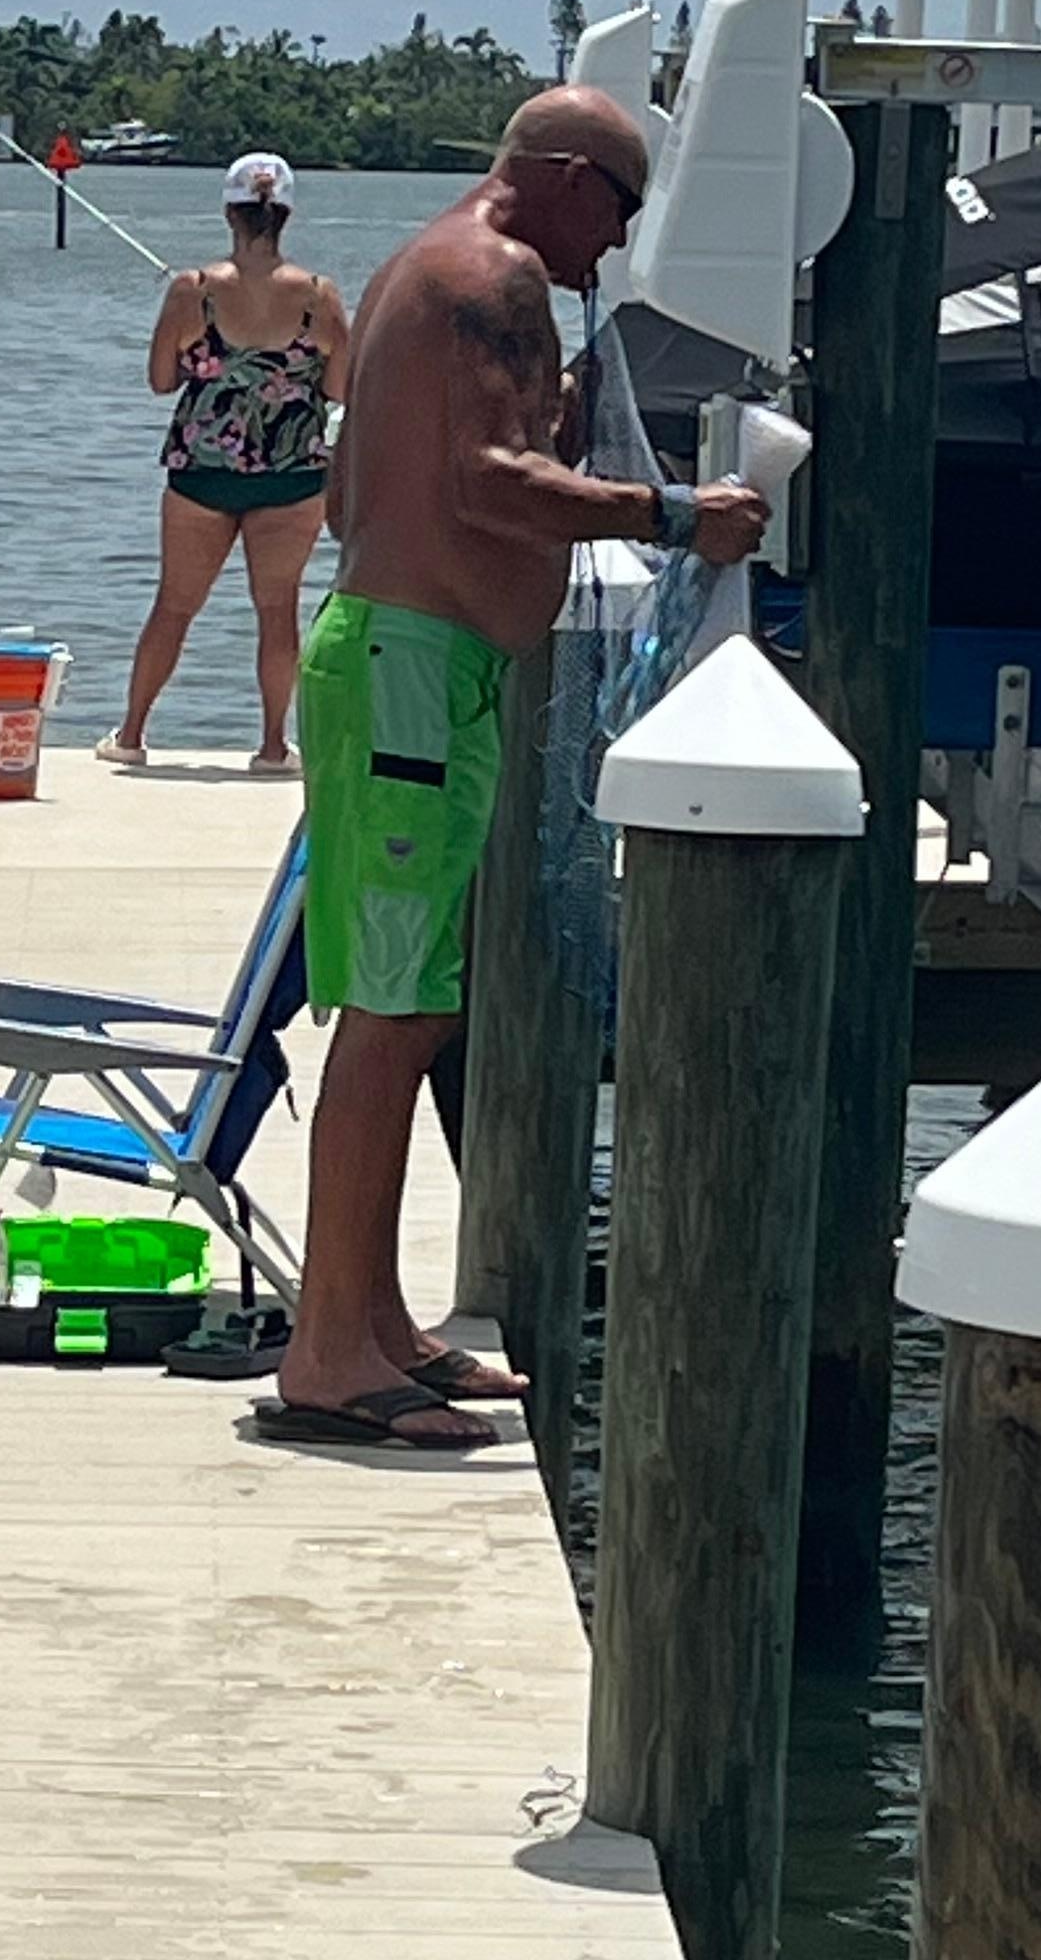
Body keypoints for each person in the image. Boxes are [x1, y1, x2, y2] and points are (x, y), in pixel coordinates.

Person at [269, 86, 768, 1452]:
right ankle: (326, 1355)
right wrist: (677, 516)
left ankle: (373, 1322)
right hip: (410, 675)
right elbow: (487, 482)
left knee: (415, 1005)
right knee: (388, 1018)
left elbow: (359, 489)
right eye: (619, 208)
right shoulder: (487, 273)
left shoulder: (414, 271)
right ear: (562, 177)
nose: (616, 248)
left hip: (417, 663)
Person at [99, 154, 350, 773]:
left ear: (227, 213)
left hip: (201, 472)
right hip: (293, 475)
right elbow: (341, 387)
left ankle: (131, 734)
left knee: (175, 605)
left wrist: (202, 365)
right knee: (277, 608)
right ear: (285, 215)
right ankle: (270, 745)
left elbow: (160, 380)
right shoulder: (320, 296)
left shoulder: (194, 290)